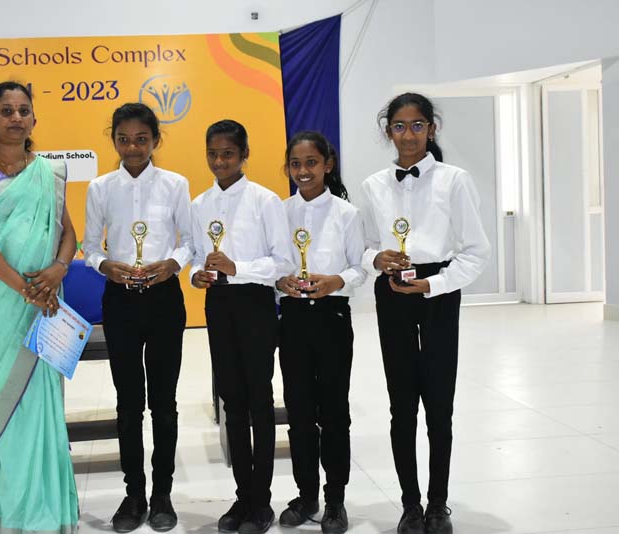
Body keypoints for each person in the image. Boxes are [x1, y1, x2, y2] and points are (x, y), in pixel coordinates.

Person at [0, 81, 79, 534]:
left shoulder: (48, 172)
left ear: (34, 119)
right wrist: (25, 289)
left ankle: (48, 515)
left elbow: (68, 233)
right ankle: (10, 518)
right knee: (0, 402)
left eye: (24, 110)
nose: (16, 118)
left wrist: (58, 270)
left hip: (43, 302)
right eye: (6, 111)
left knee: (39, 405)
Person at [359, 93, 491, 534]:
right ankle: (410, 505)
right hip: (392, 291)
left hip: (437, 291)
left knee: (438, 404)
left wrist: (434, 284)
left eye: (418, 125)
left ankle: (438, 504)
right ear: (388, 132)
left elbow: (475, 252)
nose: (409, 135)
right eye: (399, 126)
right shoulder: (373, 185)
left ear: (432, 129)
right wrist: (375, 259)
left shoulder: (455, 180)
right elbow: (363, 246)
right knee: (401, 406)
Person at [83, 102, 193, 533]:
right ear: (113, 140)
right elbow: (91, 246)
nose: (132, 148)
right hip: (121, 301)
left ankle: (163, 493)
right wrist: (105, 265)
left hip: (164, 299)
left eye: (141, 139)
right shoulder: (100, 188)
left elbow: (190, 241)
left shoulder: (175, 184)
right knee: (128, 404)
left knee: (164, 403)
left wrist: (173, 263)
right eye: (124, 139)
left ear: (155, 140)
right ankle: (134, 493)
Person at [190, 119, 293, 534]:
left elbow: (282, 263)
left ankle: (261, 500)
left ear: (244, 154)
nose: (220, 161)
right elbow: (196, 254)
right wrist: (197, 274)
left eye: (228, 154)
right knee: (230, 401)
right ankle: (242, 494)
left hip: (255, 304)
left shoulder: (265, 201)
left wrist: (238, 268)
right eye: (213, 154)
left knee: (258, 400)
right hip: (219, 304)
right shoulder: (199, 204)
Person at [275, 131, 366, 534]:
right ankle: (306, 493)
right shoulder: (279, 212)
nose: (303, 171)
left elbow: (359, 267)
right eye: (295, 164)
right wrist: (280, 282)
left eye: (311, 163)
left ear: (327, 165)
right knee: (298, 411)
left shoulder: (347, 213)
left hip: (332, 317)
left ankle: (335, 499)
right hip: (293, 318)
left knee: (333, 412)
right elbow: (273, 263)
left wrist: (336, 281)